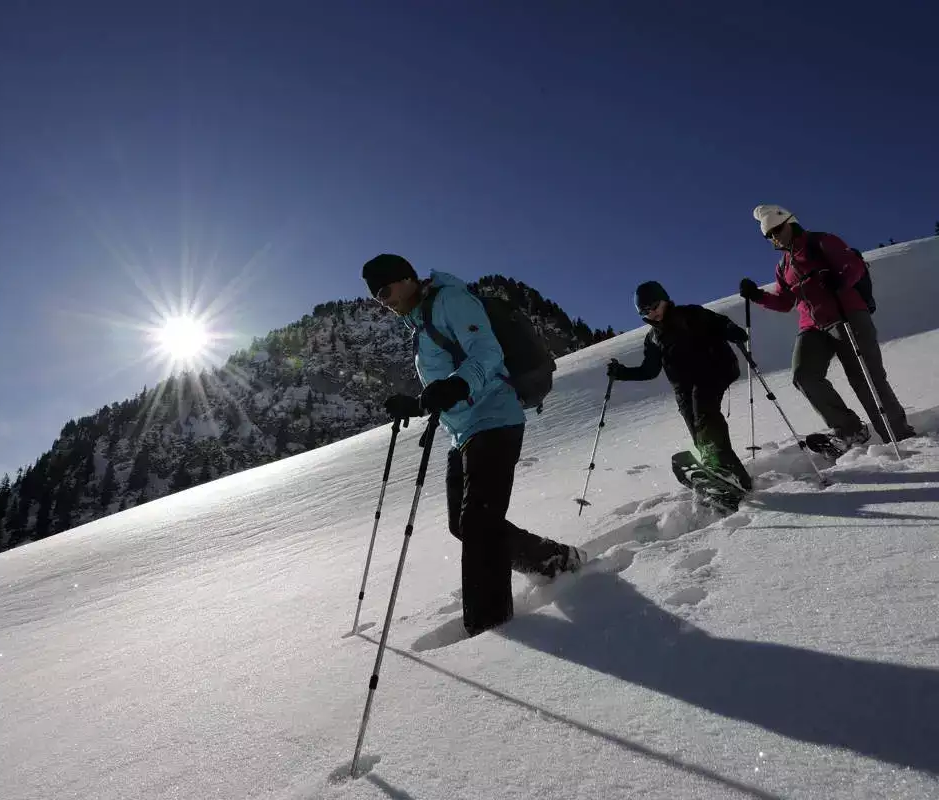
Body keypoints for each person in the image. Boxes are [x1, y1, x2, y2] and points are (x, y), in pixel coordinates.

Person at [362, 254, 584, 637]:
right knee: (464, 525)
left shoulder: (451, 301)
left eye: (384, 290)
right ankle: (551, 558)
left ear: (406, 278)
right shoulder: (419, 322)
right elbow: (446, 384)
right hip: (464, 431)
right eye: (375, 297)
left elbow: (486, 354)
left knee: (479, 524)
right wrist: (415, 404)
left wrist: (456, 386)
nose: (383, 301)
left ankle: (490, 629)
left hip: (495, 418)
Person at [739, 205, 914, 448]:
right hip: (812, 326)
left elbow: (854, 265)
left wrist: (841, 278)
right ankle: (850, 429)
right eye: (769, 235)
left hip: (848, 315)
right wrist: (756, 296)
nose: (775, 237)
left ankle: (899, 435)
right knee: (804, 375)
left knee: (865, 377)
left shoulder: (820, 242)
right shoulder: (783, 267)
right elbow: (784, 302)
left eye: (777, 229)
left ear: (791, 222)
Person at [607, 280, 752, 493]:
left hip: (715, 367)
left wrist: (732, 330)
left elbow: (721, 322)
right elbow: (649, 371)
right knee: (696, 427)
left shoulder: (691, 314)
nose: (652, 313)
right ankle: (723, 478)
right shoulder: (653, 338)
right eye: (645, 312)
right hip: (684, 387)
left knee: (703, 410)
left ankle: (727, 471)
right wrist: (622, 373)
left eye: (654, 306)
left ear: (665, 300)